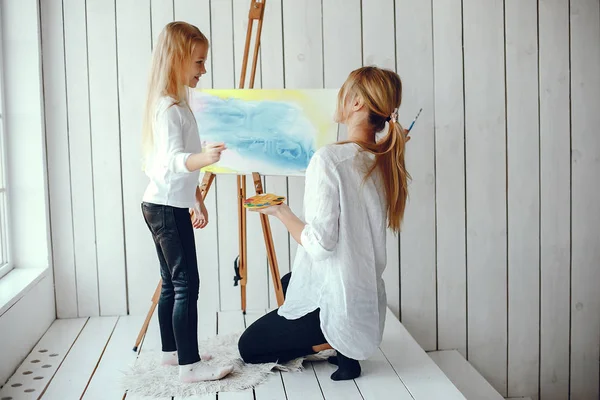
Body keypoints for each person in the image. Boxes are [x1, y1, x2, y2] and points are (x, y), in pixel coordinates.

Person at [237, 66, 411, 381]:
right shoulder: (383, 159)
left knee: (249, 348)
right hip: (362, 294)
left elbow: (319, 245)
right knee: (293, 280)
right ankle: (343, 345)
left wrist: (280, 211)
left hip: (339, 303)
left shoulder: (329, 160)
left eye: (343, 92)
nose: (338, 98)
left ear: (357, 103)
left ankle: (333, 340)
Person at [140, 21, 233, 383]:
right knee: (186, 283)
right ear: (178, 59)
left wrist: (195, 199)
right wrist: (205, 159)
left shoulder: (174, 105)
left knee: (170, 281)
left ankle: (172, 353)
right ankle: (189, 366)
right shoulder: (169, 109)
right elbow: (173, 161)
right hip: (164, 207)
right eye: (198, 62)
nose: (203, 69)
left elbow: (177, 168)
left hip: (164, 204)